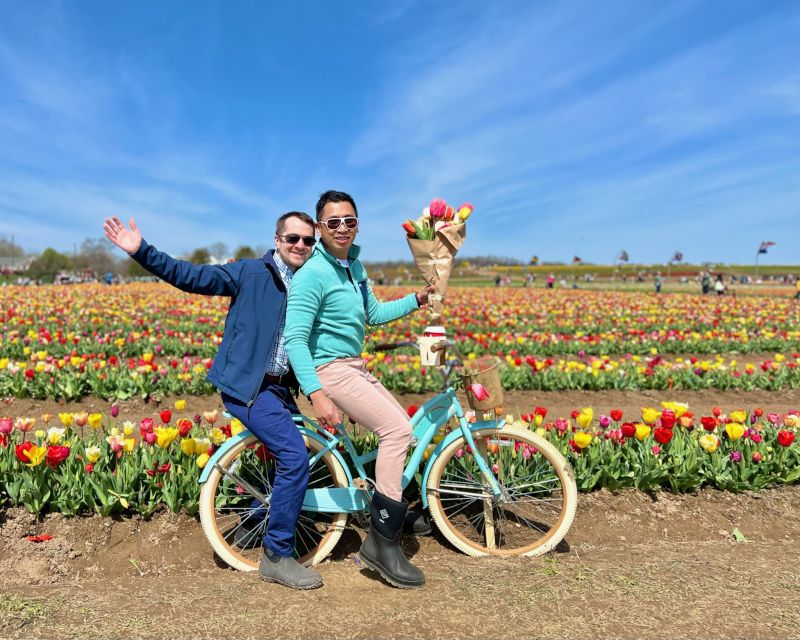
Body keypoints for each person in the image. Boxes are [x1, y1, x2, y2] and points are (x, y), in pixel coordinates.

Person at [103, 212, 324, 590]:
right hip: (248, 388)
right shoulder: (249, 272)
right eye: (293, 238)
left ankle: (257, 519)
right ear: (277, 240)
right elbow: (189, 276)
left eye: (307, 241)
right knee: (293, 456)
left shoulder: (308, 281)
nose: (300, 245)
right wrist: (141, 251)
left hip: (280, 389)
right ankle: (277, 555)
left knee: (297, 452)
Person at [285, 190, 432, 589]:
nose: (342, 228)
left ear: (357, 225)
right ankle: (382, 543)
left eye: (349, 221)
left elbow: (374, 314)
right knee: (396, 431)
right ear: (320, 228)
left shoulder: (353, 265)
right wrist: (317, 393)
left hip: (353, 365)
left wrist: (417, 299)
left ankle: (389, 510)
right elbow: (295, 339)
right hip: (331, 370)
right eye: (333, 222)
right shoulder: (312, 274)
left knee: (405, 430)